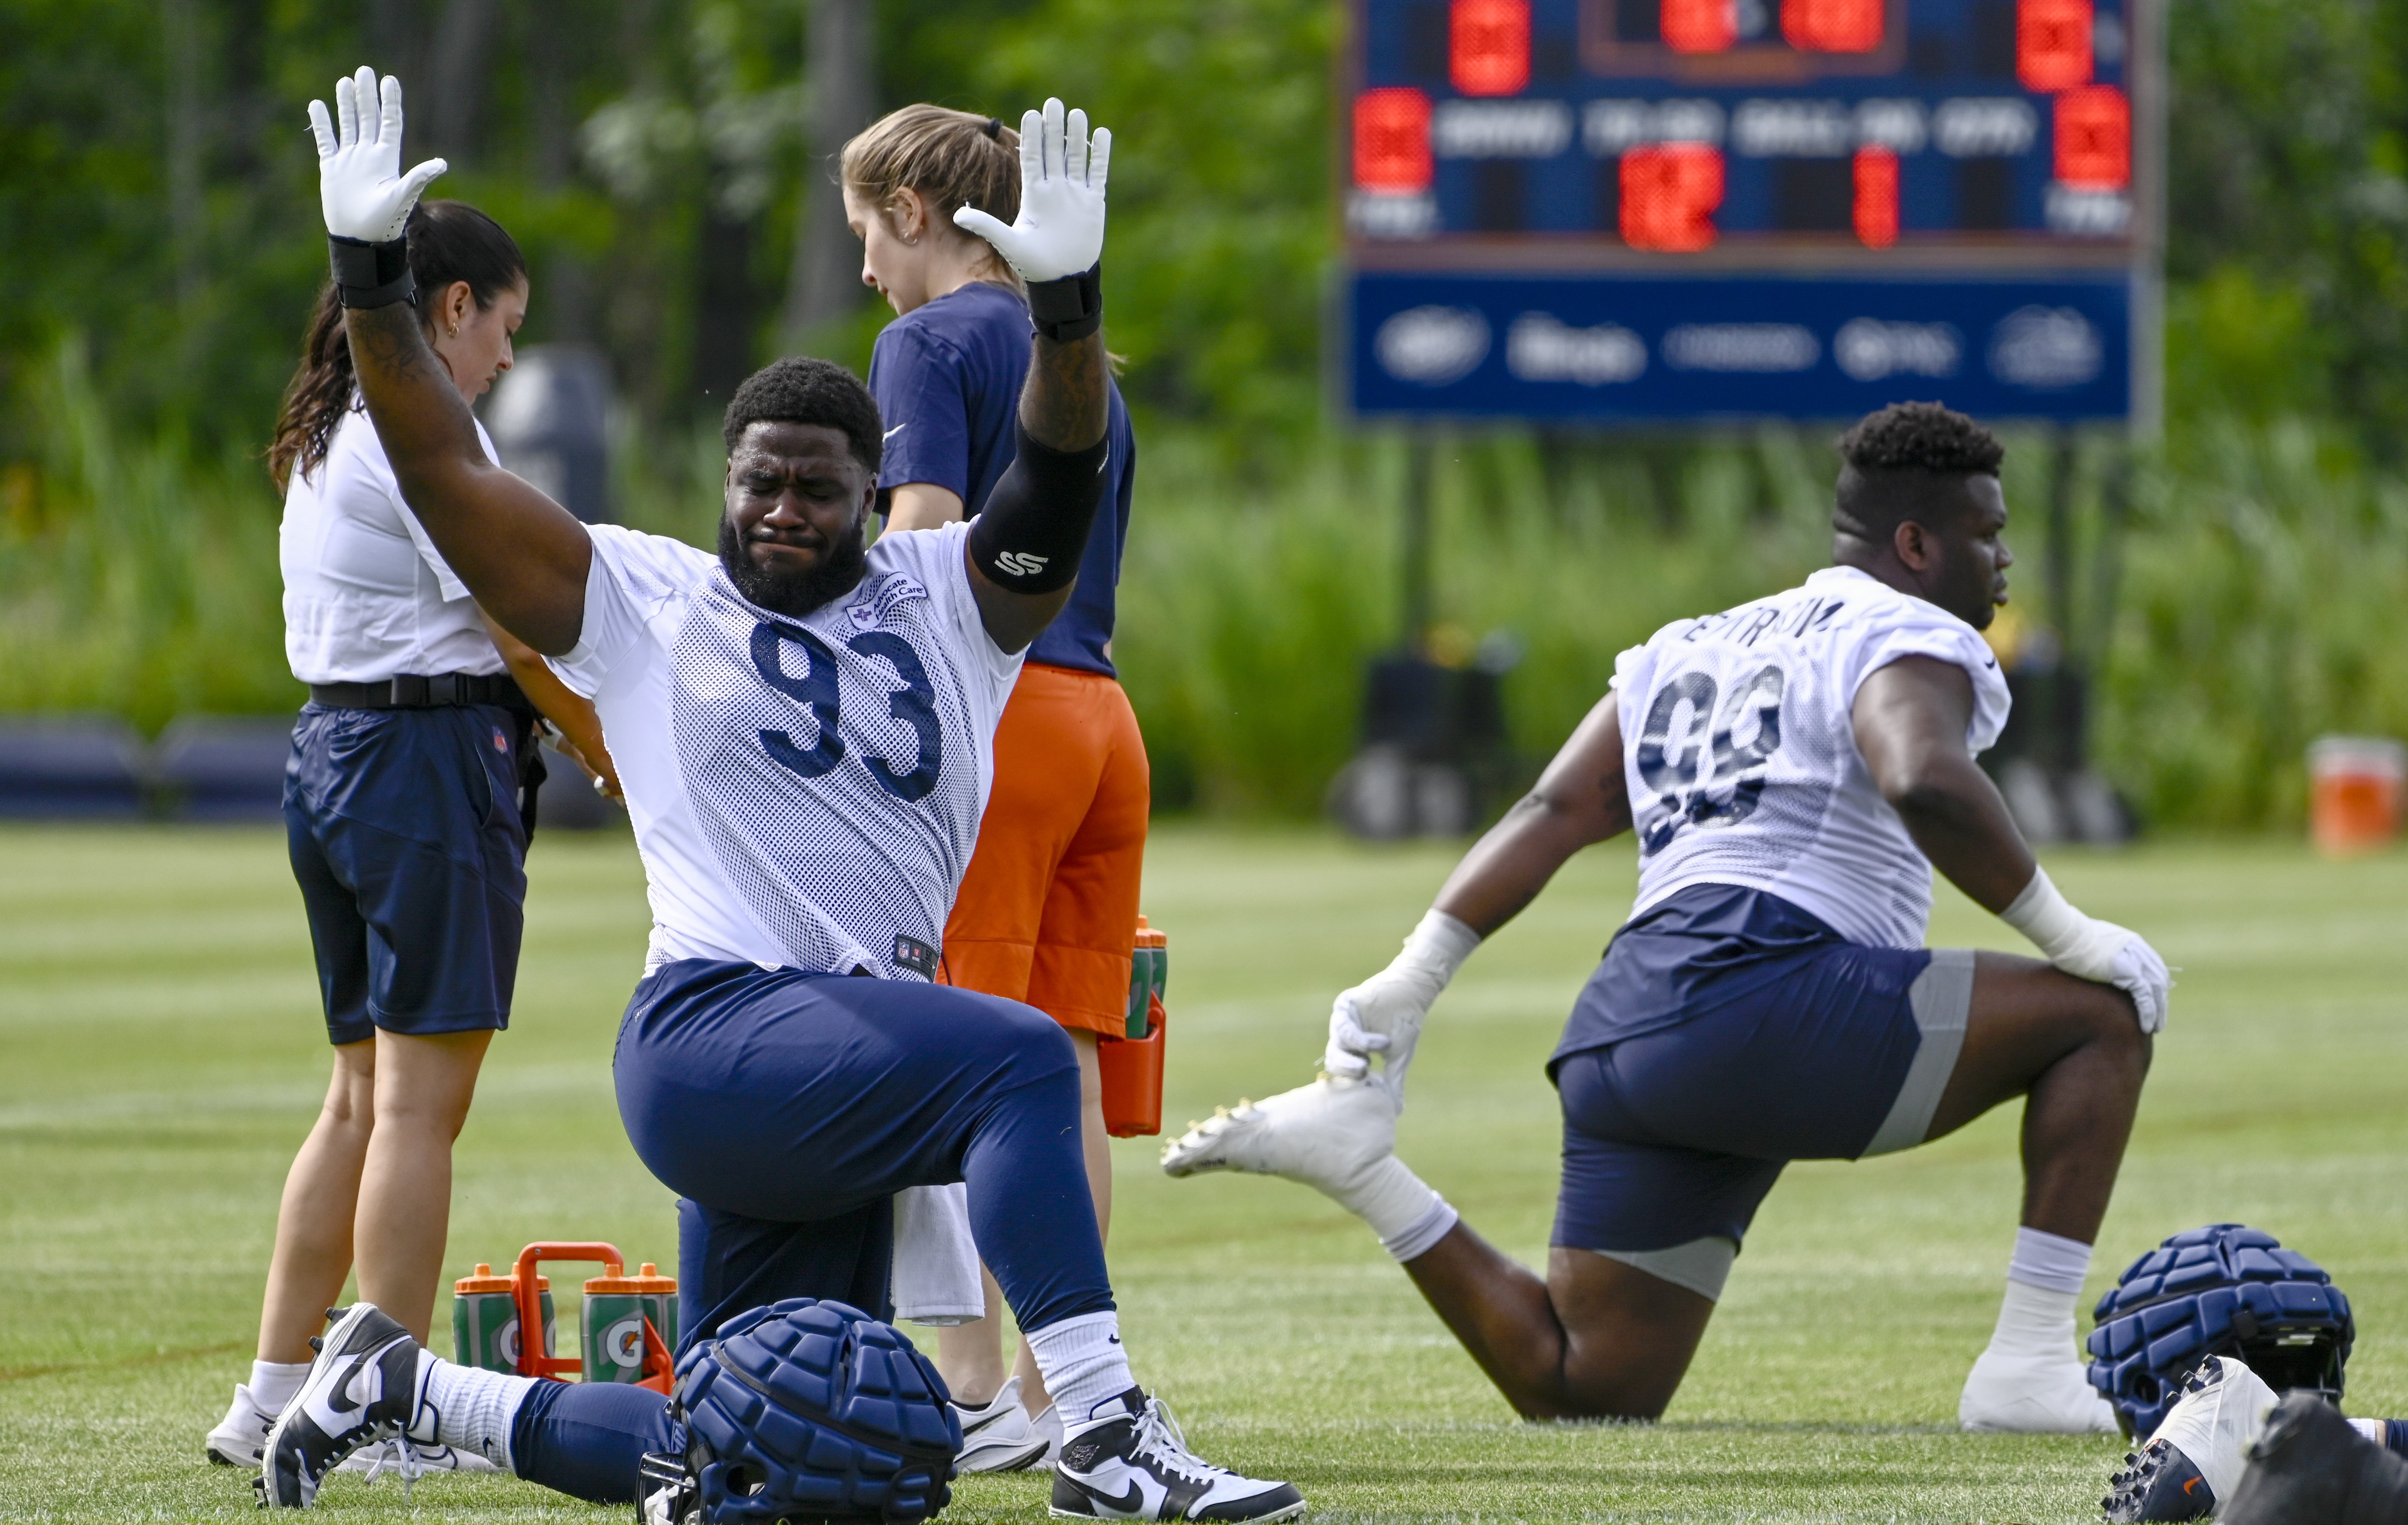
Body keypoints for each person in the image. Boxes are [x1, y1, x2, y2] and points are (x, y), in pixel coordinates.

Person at [260, 71, 1300, 1525]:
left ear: (878, 494)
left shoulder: (948, 599)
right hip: (711, 1034)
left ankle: (408, 1385)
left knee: (784, 1444)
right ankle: (1106, 1431)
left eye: (818, 487)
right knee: (1013, 1060)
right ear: (724, 479)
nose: (782, 510)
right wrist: (371, 281)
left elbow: (1059, 481)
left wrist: (1071, 317)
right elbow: (436, 459)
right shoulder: (640, 596)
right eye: (760, 482)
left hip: (842, 1057)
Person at [1165, 401, 2170, 1433]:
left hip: (1624, 1030)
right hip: (1762, 997)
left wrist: (1413, 975)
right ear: (1915, 544)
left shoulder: (1693, 641)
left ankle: (1364, 1169)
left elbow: (1554, 809)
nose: (2004, 560)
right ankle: (2030, 1366)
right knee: (2103, 1011)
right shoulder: (1904, 629)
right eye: (1987, 533)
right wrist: (2071, 934)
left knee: (1590, 1386)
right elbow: (1923, 775)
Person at [205, 189, 616, 1478]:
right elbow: (516, 625)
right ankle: (378, 1403)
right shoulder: (417, 435)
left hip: (329, 757)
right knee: (419, 1113)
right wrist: (615, 747)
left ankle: (274, 1389)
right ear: (450, 309)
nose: (506, 356)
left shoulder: (330, 426)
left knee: (359, 1099)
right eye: (503, 325)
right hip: (424, 764)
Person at [842, 102, 1145, 1471]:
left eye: (865, 231)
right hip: (1100, 721)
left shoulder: (926, 338)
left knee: (947, 1053)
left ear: (912, 207)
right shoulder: (1078, 349)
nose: (864, 272)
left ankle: (973, 1395)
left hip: (1001, 720)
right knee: (1065, 1062)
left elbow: (917, 539)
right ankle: (1051, 1385)